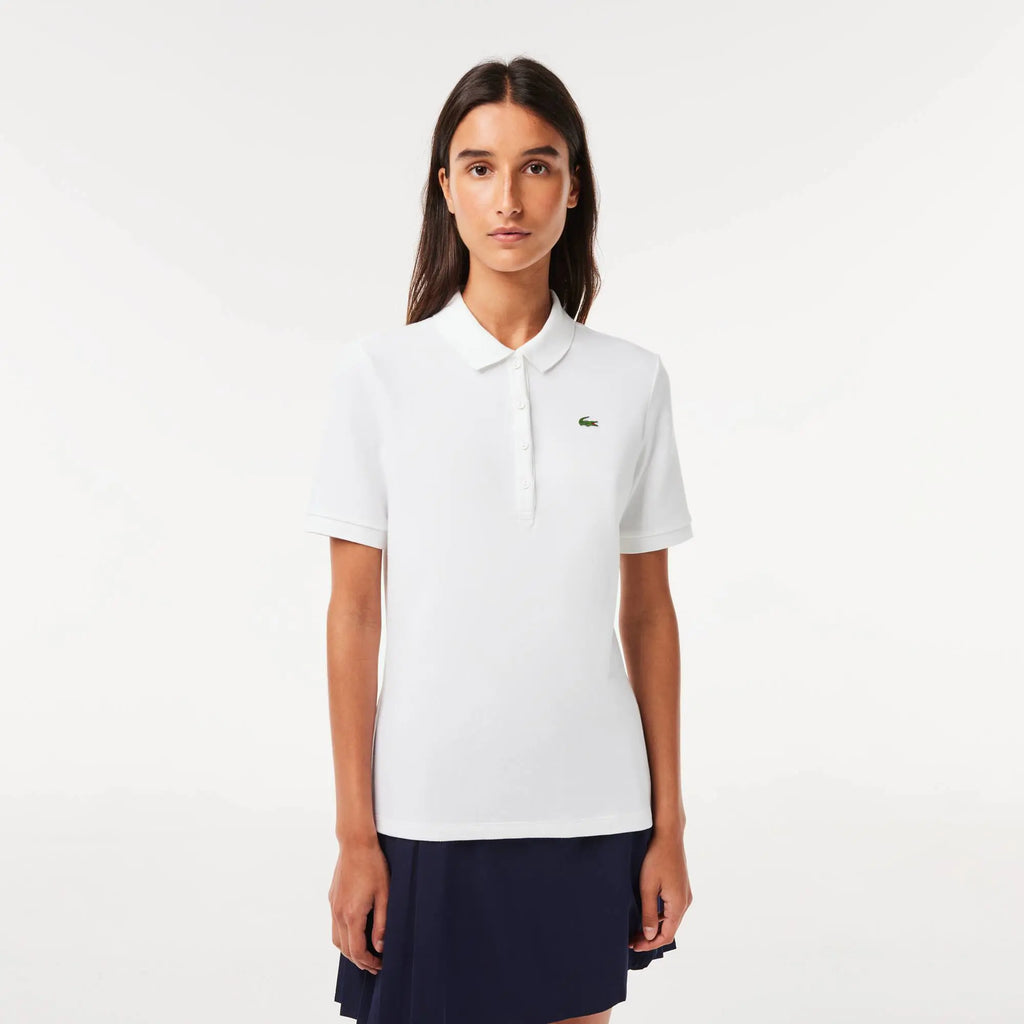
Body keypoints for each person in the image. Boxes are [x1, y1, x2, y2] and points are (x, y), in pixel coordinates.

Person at [305, 56, 695, 1024]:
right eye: (479, 168)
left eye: (536, 166)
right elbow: (353, 614)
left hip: (592, 807)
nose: (508, 198)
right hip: (425, 805)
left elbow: (648, 613)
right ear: (445, 188)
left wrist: (669, 825)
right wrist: (356, 834)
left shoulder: (631, 380)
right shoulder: (379, 375)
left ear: (574, 186)